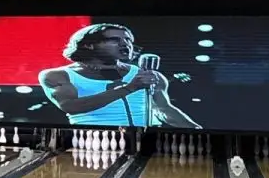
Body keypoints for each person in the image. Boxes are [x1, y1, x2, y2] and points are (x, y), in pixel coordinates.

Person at [38, 23, 198, 129]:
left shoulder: (146, 74)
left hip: (149, 137)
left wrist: (197, 130)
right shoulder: (57, 75)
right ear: (88, 44)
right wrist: (130, 88)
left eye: (128, 40)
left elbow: (164, 109)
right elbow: (71, 107)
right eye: (115, 39)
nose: (125, 44)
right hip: (94, 139)